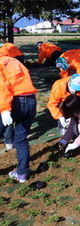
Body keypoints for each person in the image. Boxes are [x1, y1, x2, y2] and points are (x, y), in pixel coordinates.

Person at [0, 55, 38, 183]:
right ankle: (22, 174)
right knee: (21, 139)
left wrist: (4, 109)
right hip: (31, 100)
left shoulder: (0, 63)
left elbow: (2, 87)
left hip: (13, 102)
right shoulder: (14, 61)